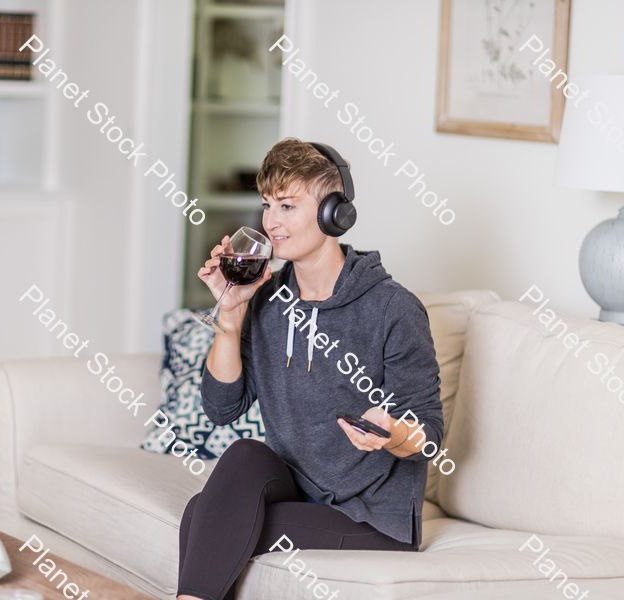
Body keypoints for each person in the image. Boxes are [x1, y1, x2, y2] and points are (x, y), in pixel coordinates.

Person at [175, 138, 444, 600]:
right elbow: (221, 409)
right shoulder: (268, 302)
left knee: (205, 516)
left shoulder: (393, 309)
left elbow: (431, 436)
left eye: (287, 205)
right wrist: (231, 316)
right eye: (266, 205)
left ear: (333, 213)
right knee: (243, 455)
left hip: (373, 520)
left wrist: (392, 433)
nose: (271, 222)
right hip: (300, 493)